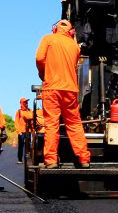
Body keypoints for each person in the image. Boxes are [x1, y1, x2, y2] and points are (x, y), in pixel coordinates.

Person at [35, 19, 90, 169]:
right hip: (70, 90)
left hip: (52, 88)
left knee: (52, 125)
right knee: (74, 124)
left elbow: (40, 58)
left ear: (54, 29)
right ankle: (84, 158)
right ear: (71, 32)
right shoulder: (74, 46)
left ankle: (51, 160)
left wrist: (43, 73)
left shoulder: (48, 39)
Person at [14, 97, 33, 164]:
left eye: (27, 102)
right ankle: (20, 159)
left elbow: (32, 118)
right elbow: (16, 122)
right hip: (21, 131)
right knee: (21, 146)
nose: (26, 104)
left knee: (29, 145)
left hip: (29, 131)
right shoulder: (19, 112)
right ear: (21, 103)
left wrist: (33, 130)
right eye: (25, 102)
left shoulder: (30, 110)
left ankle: (29, 160)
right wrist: (18, 131)